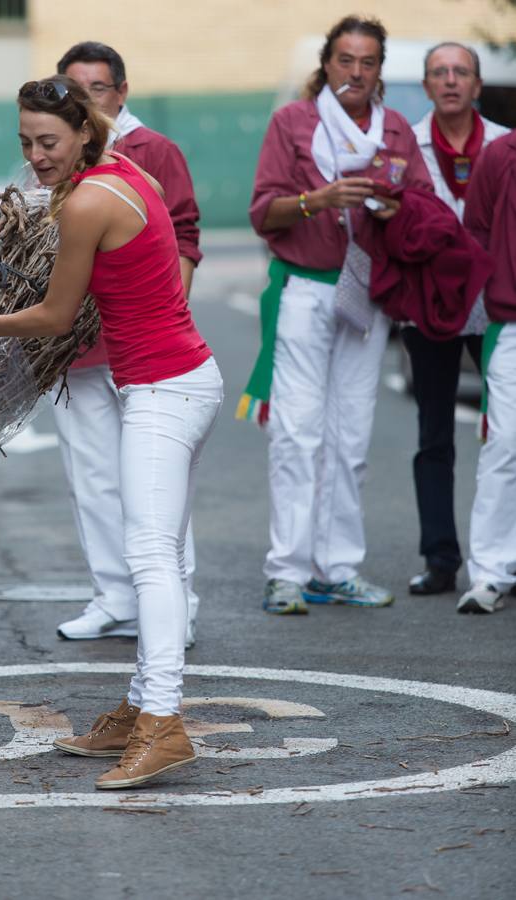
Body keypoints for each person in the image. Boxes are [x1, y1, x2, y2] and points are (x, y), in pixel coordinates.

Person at [0, 76, 223, 789]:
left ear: (80, 134)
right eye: (26, 142)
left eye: (48, 142)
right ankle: (137, 709)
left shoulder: (91, 199)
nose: (36, 155)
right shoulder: (122, 172)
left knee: (151, 556)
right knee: (156, 549)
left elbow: (56, 315)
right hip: (178, 380)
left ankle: (161, 723)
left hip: (163, 390)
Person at [243, 15, 432, 615]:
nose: (355, 72)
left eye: (368, 62)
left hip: (368, 295)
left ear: (381, 70)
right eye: (345, 60)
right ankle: (287, 573)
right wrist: (315, 200)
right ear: (327, 64)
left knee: (350, 436)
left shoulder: (397, 130)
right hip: (305, 287)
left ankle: (338, 568)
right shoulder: (292, 123)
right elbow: (262, 213)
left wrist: (392, 209)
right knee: (298, 433)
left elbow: (425, 213)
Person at [49, 41, 204, 646]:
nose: (84, 99)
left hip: (144, 350)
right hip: (75, 351)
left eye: (97, 88)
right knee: (91, 476)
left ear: (121, 92)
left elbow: (185, 235)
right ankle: (114, 597)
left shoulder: (150, 151)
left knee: (160, 483)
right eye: (71, 89)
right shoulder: (53, 151)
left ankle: (176, 603)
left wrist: (168, 311)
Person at [403, 43, 509, 597]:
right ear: (426, 86)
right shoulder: (407, 146)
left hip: (494, 308)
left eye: (460, 72)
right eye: (439, 73)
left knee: (509, 437)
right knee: (434, 436)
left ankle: (506, 559)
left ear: (476, 84)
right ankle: (441, 559)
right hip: (430, 308)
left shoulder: (504, 145)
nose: (450, 81)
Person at [458, 130, 516, 614]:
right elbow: (475, 233)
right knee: (505, 442)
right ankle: (491, 573)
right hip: (512, 325)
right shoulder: (499, 155)